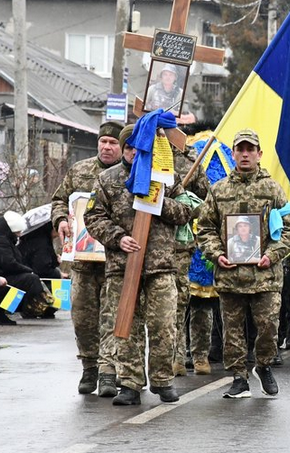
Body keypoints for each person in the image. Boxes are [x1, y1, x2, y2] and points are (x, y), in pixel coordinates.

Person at [85, 124, 193, 406]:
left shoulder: (167, 177)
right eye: (129, 147)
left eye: (139, 147)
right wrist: (118, 238)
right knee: (127, 328)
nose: (134, 152)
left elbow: (187, 211)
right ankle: (130, 384)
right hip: (123, 267)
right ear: (124, 149)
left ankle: (162, 380)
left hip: (161, 266)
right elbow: (93, 218)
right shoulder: (107, 180)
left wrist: (159, 201)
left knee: (163, 326)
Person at [197, 129, 290, 398]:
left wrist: (272, 255)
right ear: (233, 154)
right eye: (240, 149)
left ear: (259, 154)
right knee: (232, 330)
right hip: (230, 275)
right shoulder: (218, 190)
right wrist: (216, 253)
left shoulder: (273, 189)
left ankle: (263, 365)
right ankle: (238, 376)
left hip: (265, 275)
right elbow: (204, 228)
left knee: (268, 326)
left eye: (250, 149)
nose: (245, 154)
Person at [51, 120, 123, 396]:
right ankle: (89, 367)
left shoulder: (128, 174)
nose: (106, 147)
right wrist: (60, 220)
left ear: (122, 146)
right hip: (82, 260)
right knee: (82, 317)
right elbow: (60, 200)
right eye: (103, 142)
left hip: (114, 262)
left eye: (113, 143)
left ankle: (108, 371)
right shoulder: (80, 171)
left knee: (111, 317)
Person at [170, 141, 210, 377]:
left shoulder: (191, 161)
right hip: (165, 244)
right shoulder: (150, 159)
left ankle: (201, 355)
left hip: (193, 242)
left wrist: (188, 196)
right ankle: (176, 356)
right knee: (174, 303)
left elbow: (207, 197)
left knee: (201, 303)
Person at [0, 211, 52, 321]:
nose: (20, 235)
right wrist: (29, 271)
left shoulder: (1, 239)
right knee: (29, 280)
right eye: (18, 232)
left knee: (27, 279)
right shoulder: (0, 241)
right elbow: (9, 264)